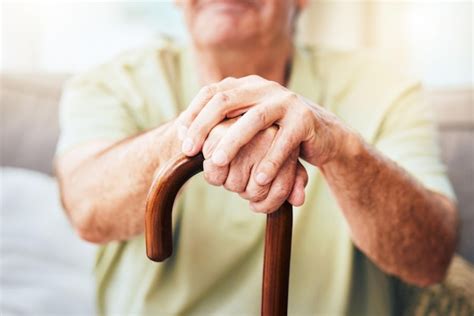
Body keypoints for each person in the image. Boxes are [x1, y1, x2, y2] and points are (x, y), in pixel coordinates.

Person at [55, 0, 458, 315]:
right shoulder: (112, 83)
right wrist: (202, 128)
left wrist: (340, 147)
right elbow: (88, 212)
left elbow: (428, 260)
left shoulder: (384, 88)